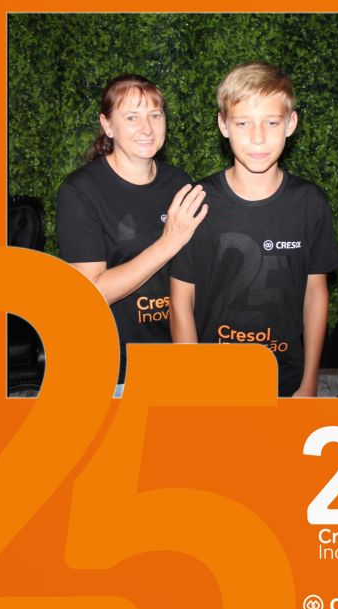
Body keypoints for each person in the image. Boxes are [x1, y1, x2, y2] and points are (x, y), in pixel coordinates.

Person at [169, 62, 338, 397]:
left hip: (285, 380)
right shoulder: (196, 202)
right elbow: (180, 300)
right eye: (243, 122)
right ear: (223, 125)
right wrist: (192, 382)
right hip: (211, 382)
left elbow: (315, 293)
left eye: (271, 122)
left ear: (291, 123)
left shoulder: (310, 203)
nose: (258, 137)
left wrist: (309, 381)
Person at [56, 74, 208, 391]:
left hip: (174, 354)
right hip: (116, 367)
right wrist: (168, 243)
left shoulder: (179, 181)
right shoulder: (80, 191)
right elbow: (91, 293)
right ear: (107, 125)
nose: (147, 128)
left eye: (155, 114)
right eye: (131, 117)